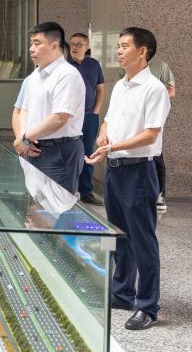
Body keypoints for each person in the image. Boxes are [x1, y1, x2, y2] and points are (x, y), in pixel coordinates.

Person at [86, 27, 170, 331]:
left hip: (139, 171)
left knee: (142, 240)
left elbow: (150, 134)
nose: (118, 51)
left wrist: (113, 147)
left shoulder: (154, 89)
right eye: (118, 46)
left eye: (124, 46)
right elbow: (108, 120)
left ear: (142, 51)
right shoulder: (121, 85)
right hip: (116, 169)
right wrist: (103, 136)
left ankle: (148, 307)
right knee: (119, 235)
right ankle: (122, 294)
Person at [14, 22, 85, 195]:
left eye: (37, 43)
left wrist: (26, 139)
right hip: (35, 147)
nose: (31, 49)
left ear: (54, 46)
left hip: (59, 151)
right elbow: (24, 109)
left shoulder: (66, 74)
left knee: (54, 206)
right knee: (36, 203)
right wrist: (24, 137)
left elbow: (59, 117)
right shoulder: (35, 75)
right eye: (31, 43)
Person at [117, 57, 175, 212]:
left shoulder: (161, 66)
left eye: (125, 46)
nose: (120, 51)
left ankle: (160, 195)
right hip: (131, 117)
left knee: (155, 155)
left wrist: (150, 97)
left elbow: (171, 90)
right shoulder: (125, 68)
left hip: (151, 116)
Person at [67, 32, 104, 204]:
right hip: (68, 118)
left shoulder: (94, 65)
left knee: (87, 153)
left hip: (89, 117)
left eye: (79, 44)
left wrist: (96, 111)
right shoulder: (64, 66)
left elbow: (100, 89)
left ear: (87, 46)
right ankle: (67, 191)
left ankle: (86, 192)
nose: (74, 47)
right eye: (72, 44)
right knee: (69, 153)